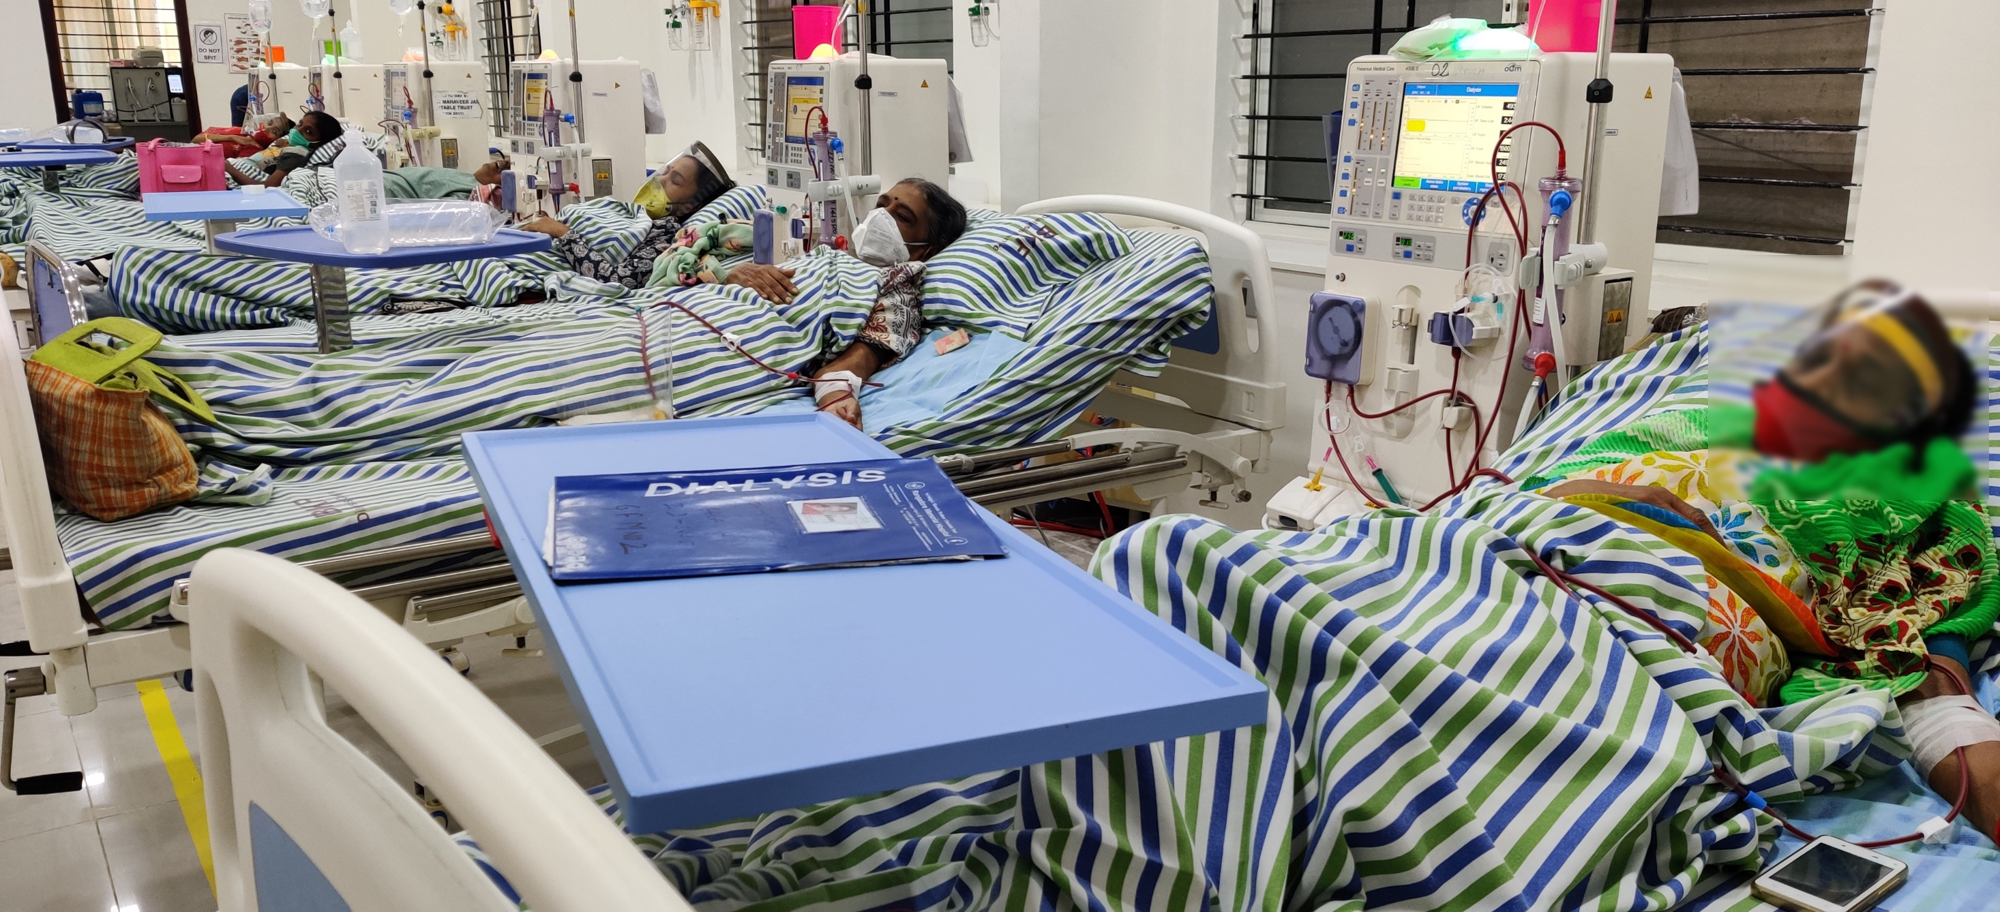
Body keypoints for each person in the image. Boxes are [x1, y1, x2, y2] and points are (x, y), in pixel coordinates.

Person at [1534, 284, 1998, 841]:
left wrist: (1944, 678)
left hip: (1702, 585)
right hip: (1582, 534)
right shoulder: (1676, 373)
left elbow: (1947, 543)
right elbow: (1575, 460)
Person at [779, 178, 968, 428]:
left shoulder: (897, 291)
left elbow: (845, 370)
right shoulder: (829, 256)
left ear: (927, 251)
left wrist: (838, 401)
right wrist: (736, 275)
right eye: (881, 205)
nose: (881, 216)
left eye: (901, 216)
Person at [517, 141, 733, 288]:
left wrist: (564, 233)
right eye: (664, 172)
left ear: (690, 206)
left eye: (675, 181)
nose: (660, 180)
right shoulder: (627, 212)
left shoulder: (666, 237)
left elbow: (616, 280)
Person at [196, 111, 293, 159]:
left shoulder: (254, 150)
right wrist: (232, 137)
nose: (266, 129)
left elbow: (234, 170)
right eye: (270, 123)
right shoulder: (240, 133)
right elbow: (195, 140)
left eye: (274, 132)